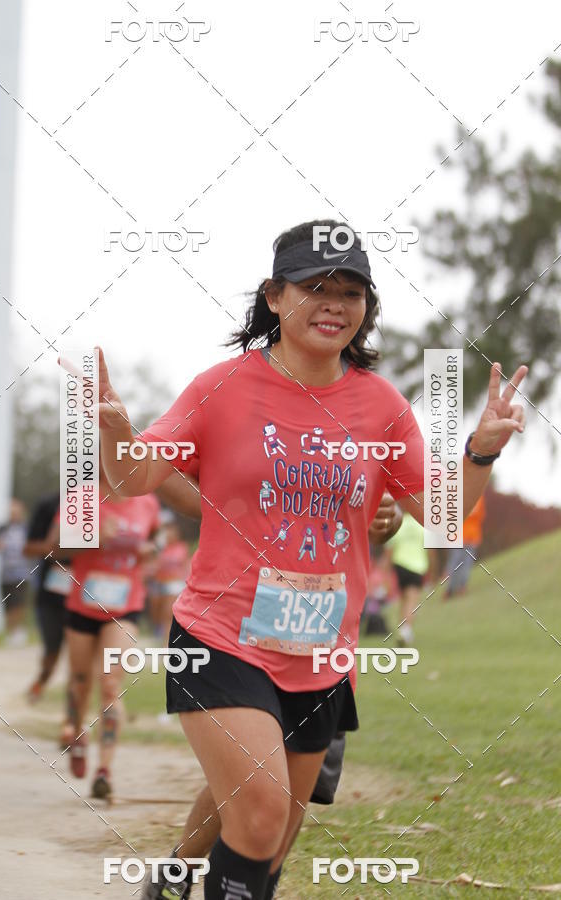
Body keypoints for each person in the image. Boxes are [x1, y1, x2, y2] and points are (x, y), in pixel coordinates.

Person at [94, 219, 527, 900]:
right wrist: (117, 433)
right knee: (260, 815)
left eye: (350, 292)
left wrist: (480, 450)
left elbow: (439, 515)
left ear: (367, 309)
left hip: (323, 650)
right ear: (274, 296)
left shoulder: (381, 406)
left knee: (270, 845)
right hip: (221, 636)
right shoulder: (222, 386)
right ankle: (178, 874)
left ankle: (174, 880)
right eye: (314, 287)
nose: (334, 303)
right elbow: (135, 478)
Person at [141, 483, 402, 899]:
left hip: (324, 649)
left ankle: (208, 876)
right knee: (257, 788)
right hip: (240, 640)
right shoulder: (243, 421)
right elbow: (164, 472)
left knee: (278, 802)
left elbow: (394, 509)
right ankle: (183, 872)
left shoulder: (373, 420)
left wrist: (388, 516)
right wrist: (232, 501)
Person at [56, 473, 159, 800]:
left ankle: (105, 771)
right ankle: (75, 735)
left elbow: (155, 543)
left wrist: (149, 551)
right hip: (83, 606)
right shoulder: (81, 497)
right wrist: (93, 537)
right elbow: (56, 548)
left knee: (110, 681)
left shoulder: (147, 502)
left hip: (125, 607)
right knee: (80, 681)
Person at [23, 492, 73, 704]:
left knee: (80, 658)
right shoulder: (49, 505)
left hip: (89, 597)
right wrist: (57, 548)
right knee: (52, 650)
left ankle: (72, 720)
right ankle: (41, 682)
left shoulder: (105, 504)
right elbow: (28, 548)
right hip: (51, 594)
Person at [387, 512, 438, 647]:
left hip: (399, 564)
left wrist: (387, 570)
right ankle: (406, 631)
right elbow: (431, 551)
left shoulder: (399, 524)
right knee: (412, 600)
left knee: (403, 599)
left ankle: (402, 630)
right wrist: (432, 573)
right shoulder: (423, 525)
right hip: (416, 566)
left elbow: (390, 548)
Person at [0, 499, 32, 646]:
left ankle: (19, 631)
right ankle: (10, 632)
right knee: (7, 603)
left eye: (16, 512)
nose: (14, 515)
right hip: (5, 573)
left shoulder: (27, 529)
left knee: (18, 603)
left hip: (22, 573)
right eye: (11, 512)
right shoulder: (2, 528)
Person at [145, 511, 191, 643]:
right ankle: (162, 637)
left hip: (174, 584)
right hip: (157, 584)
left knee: (167, 615)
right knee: (157, 616)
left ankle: (167, 643)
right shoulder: (157, 547)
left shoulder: (182, 548)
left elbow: (186, 567)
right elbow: (150, 565)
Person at [445, 494, 486, 598]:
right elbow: (481, 515)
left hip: (459, 535)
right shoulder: (478, 496)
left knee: (455, 562)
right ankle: (461, 586)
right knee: (466, 563)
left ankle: (450, 589)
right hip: (472, 535)